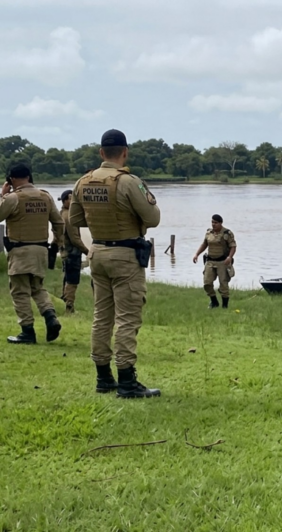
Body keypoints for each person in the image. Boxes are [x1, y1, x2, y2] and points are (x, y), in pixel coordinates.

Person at [70, 129, 161, 399]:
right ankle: (127, 381)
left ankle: (103, 377)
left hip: (98, 252)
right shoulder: (129, 182)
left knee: (102, 316)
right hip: (125, 254)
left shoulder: (83, 181)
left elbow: (75, 219)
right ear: (125, 152)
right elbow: (153, 218)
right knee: (127, 319)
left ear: (101, 153)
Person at [0, 163, 64, 344]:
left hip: (20, 250)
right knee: (37, 287)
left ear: (11, 179)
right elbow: (59, 222)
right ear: (29, 177)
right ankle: (50, 317)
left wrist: (2, 195)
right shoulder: (45, 196)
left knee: (20, 292)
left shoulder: (13, 198)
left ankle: (27, 331)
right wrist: (57, 242)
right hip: (41, 249)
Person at [193, 214, 236, 308]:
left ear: (220, 223)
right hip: (210, 261)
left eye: (216, 223)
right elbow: (204, 244)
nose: (213, 224)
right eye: (212, 222)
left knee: (223, 284)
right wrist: (197, 254)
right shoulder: (209, 233)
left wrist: (229, 257)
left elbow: (233, 246)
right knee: (207, 283)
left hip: (222, 262)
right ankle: (214, 302)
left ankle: (225, 306)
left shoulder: (227, 233)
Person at [58, 189, 89, 314]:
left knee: (67, 278)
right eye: (71, 199)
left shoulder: (61, 213)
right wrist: (87, 252)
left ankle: (63, 304)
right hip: (72, 252)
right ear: (65, 200)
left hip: (66, 252)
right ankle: (69, 307)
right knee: (73, 281)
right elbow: (75, 239)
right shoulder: (70, 216)